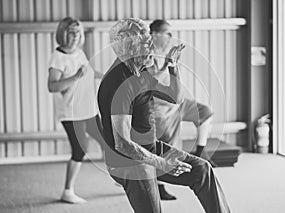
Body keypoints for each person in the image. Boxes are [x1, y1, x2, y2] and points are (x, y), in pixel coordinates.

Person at [98, 18, 231, 213]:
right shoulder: (119, 83)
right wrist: (163, 163)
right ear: (128, 48)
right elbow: (122, 144)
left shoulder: (140, 71)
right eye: (145, 44)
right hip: (128, 162)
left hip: (150, 148)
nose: (151, 47)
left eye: (149, 41)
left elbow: (175, 97)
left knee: (202, 170)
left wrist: (172, 66)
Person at [148, 19, 214, 200]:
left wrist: (173, 64)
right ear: (154, 34)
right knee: (165, 143)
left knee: (205, 112)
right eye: (165, 33)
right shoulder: (146, 56)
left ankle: (200, 153)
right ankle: (159, 185)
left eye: (171, 33)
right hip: (158, 107)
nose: (170, 37)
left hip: (178, 102)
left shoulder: (169, 54)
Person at [48, 17, 104, 204]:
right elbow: (53, 86)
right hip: (71, 113)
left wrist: (105, 76)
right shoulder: (58, 57)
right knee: (80, 149)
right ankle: (67, 191)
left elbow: (87, 72)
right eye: (71, 32)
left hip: (88, 109)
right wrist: (75, 77)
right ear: (63, 33)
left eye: (78, 32)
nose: (75, 36)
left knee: (108, 142)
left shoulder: (79, 52)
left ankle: (120, 179)